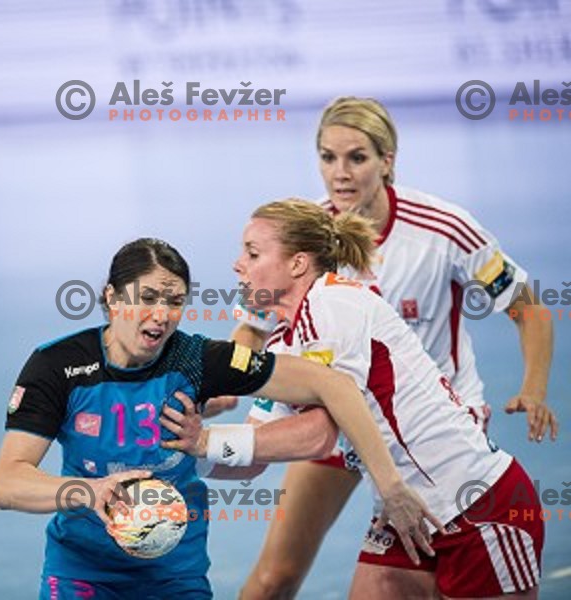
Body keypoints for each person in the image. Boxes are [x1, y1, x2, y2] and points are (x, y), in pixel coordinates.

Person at [225, 97, 557, 599]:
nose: (339, 173)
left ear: (388, 160)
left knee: (432, 551)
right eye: (327, 157)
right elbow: (253, 333)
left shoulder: (444, 228)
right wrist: (222, 385)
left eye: (356, 157)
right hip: (338, 420)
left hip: (429, 429)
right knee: (276, 574)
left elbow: (528, 307)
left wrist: (533, 388)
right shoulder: (301, 237)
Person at [0, 237, 437, 600]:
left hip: (175, 575)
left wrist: (390, 485)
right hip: (82, 571)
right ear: (111, 298)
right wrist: (90, 493)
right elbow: (8, 484)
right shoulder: (58, 366)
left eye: (175, 302)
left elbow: (334, 386)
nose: (161, 316)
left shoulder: (196, 359)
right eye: (147, 298)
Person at [166, 200, 545, 599]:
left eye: (253, 253)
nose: (237, 264)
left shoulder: (333, 305)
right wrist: (179, 453)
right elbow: (254, 456)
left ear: (297, 264)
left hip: (476, 504)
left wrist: (205, 441)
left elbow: (317, 437)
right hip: (406, 514)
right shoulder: (284, 342)